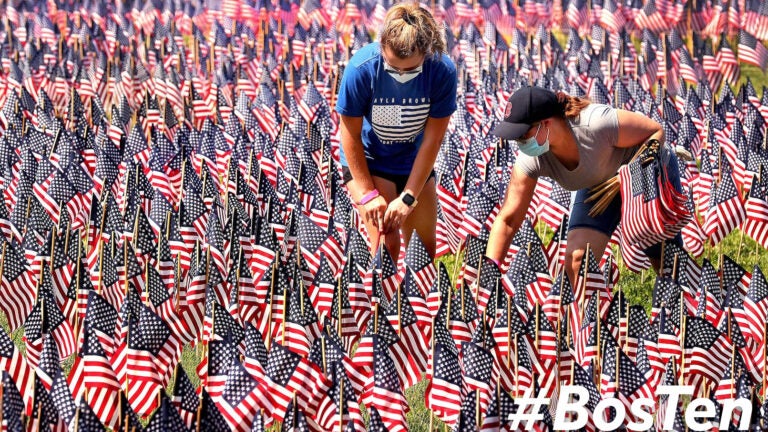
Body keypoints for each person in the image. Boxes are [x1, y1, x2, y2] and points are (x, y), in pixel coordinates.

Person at [486, 86, 680, 288]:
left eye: (523, 135)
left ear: (546, 123)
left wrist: (631, 174)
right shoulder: (531, 158)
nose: (520, 143)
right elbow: (508, 219)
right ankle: (581, 318)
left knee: (665, 259)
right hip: (599, 183)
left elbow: (656, 131)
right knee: (578, 261)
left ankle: (679, 306)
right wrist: (490, 269)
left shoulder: (596, 123)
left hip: (644, 170)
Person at [335, 2, 457, 260]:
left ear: (427, 52)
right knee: (387, 245)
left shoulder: (442, 71)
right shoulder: (360, 69)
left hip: (413, 160)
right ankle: (380, 299)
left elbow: (432, 140)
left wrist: (409, 197)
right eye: (393, 66)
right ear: (381, 46)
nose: (400, 73)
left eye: (410, 69)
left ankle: (414, 301)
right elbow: (349, 135)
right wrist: (368, 195)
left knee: (423, 253)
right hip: (369, 160)